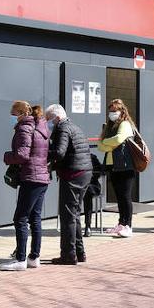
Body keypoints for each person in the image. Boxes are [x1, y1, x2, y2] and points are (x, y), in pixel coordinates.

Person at [1, 102, 50, 271]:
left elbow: (22, 155)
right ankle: (34, 257)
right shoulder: (41, 127)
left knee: (20, 218)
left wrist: (7, 156)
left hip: (31, 177)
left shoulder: (24, 128)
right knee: (35, 218)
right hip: (42, 177)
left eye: (13, 113)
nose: (11, 117)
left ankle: (20, 259)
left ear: (21, 113)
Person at [46, 104, 91, 263]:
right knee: (75, 214)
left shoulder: (63, 129)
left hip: (72, 174)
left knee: (68, 216)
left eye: (49, 120)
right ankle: (79, 252)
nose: (48, 123)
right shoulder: (74, 126)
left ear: (57, 118)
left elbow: (59, 152)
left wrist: (42, 153)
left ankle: (68, 254)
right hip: (84, 172)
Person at [97, 99, 138, 237]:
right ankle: (121, 223)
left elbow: (119, 139)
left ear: (122, 111)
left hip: (125, 166)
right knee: (119, 197)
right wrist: (107, 143)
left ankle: (128, 226)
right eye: (110, 111)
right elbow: (100, 146)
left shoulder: (125, 124)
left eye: (115, 111)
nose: (112, 113)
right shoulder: (110, 126)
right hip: (113, 165)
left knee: (125, 197)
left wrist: (105, 142)